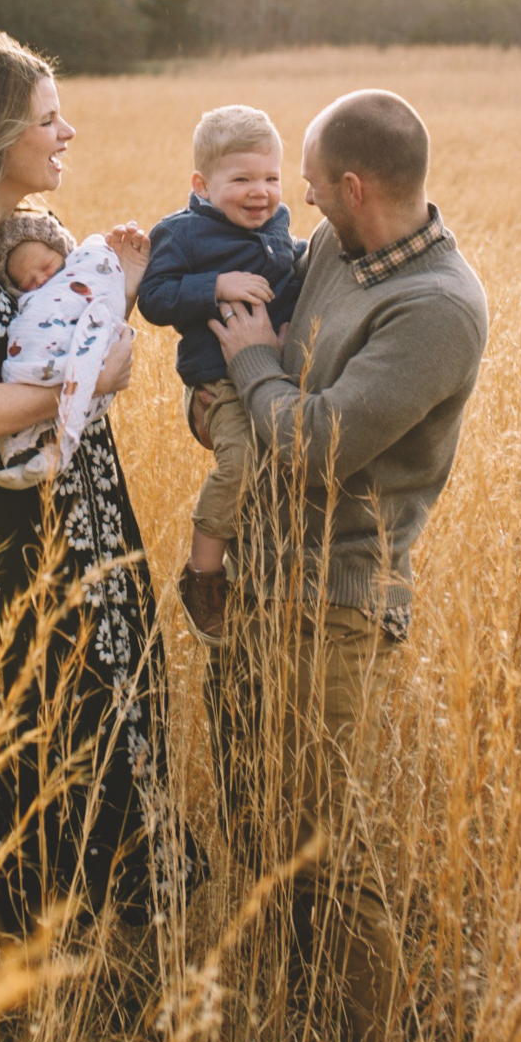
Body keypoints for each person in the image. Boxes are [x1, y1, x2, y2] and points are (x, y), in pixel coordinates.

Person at [0, 32, 197, 938]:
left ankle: (112, 943)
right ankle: (8, 959)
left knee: (109, 705)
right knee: (6, 730)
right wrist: (91, 380)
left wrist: (121, 300)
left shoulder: (32, 239)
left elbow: (67, 333)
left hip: (87, 514)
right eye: (48, 119)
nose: (68, 133)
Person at [206, 87, 488, 1042]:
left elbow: (315, 440)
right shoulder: (340, 248)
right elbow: (277, 390)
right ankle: (300, 1031)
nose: (305, 206)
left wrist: (248, 368)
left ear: (356, 185)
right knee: (258, 824)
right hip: (258, 575)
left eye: (318, 189)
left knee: (323, 844)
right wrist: (241, 397)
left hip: (333, 603)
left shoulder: (436, 308)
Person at [137, 105, 308, 642]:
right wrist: (216, 286)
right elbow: (155, 299)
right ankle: (204, 575)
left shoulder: (278, 227)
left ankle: (268, 564)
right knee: (242, 460)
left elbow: (292, 275)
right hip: (220, 380)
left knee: (285, 465)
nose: (261, 192)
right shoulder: (183, 234)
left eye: (271, 178)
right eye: (242, 180)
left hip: (271, 370)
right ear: (202, 184)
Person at [0, 212, 136, 490]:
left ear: (63, 250)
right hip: (50, 377)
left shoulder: (84, 264)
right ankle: (25, 455)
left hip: (88, 371)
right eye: (27, 283)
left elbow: (99, 301)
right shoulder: (35, 301)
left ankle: (54, 453)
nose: (42, 281)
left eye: (47, 266)